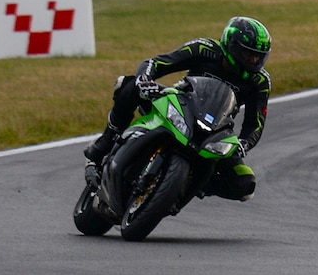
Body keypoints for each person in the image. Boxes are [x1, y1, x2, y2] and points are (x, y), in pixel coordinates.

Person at [85, 16, 271, 201]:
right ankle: (101, 148)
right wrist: (145, 80)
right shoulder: (204, 49)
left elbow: (255, 124)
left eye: (258, 56)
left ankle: (188, 185)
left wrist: (243, 144)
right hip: (181, 104)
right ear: (232, 46)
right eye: (248, 54)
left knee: (245, 185)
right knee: (128, 86)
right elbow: (158, 63)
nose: (253, 60)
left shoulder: (260, 82)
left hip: (217, 130)